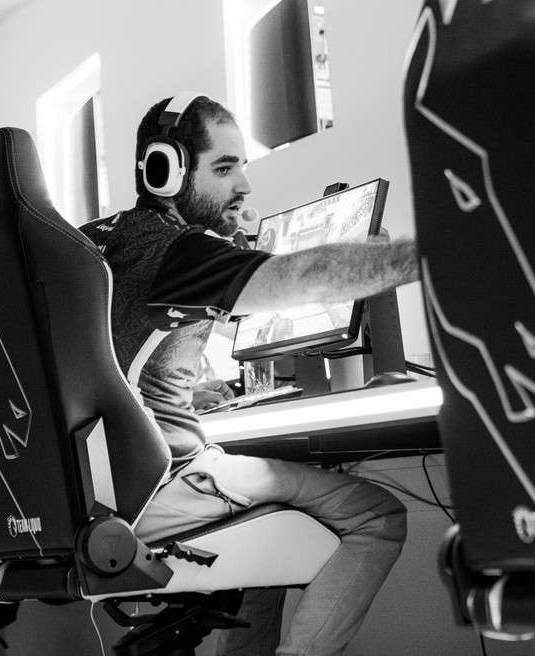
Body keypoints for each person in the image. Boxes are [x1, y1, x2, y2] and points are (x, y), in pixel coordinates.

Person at [80, 94, 416, 656]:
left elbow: (109, 359)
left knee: (274, 517)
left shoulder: (91, 241)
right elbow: (304, 276)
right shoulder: (174, 251)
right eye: (224, 168)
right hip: (160, 486)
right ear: (166, 170)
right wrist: (427, 255)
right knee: (378, 516)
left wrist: (181, 392)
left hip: (89, 493)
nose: (244, 185)